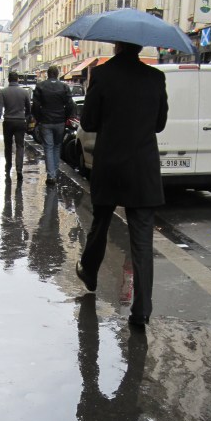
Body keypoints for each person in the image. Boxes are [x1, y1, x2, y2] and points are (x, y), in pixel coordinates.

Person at [75, 41, 168, 329]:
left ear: (116, 45)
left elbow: (88, 122)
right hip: (143, 168)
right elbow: (160, 124)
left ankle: (89, 271)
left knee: (100, 224)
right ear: (140, 47)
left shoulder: (102, 75)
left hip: (110, 165)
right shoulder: (155, 77)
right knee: (142, 242)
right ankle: (141, 311)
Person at [32, 65, 75, 185]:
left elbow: (35, 105)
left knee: (48, 147)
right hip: (59, 121)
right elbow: (70, 105)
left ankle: (51, 175)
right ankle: (54, 173)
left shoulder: (40, 86)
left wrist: (38, 118)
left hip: (46, 121)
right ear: (57, 74)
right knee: (57, 147)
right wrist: (65, 117)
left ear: (48, 74)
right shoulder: (64, 86)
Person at [0, 70, 31, 180]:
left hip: (8, 122)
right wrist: (27, 119)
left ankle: (8, 167)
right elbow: (28, 109)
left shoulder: (3, 92)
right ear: (18, 79)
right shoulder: (25, 92)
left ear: (9, 80)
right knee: (20, 146)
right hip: (20, 122)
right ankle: (19, 169)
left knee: (8, 146)